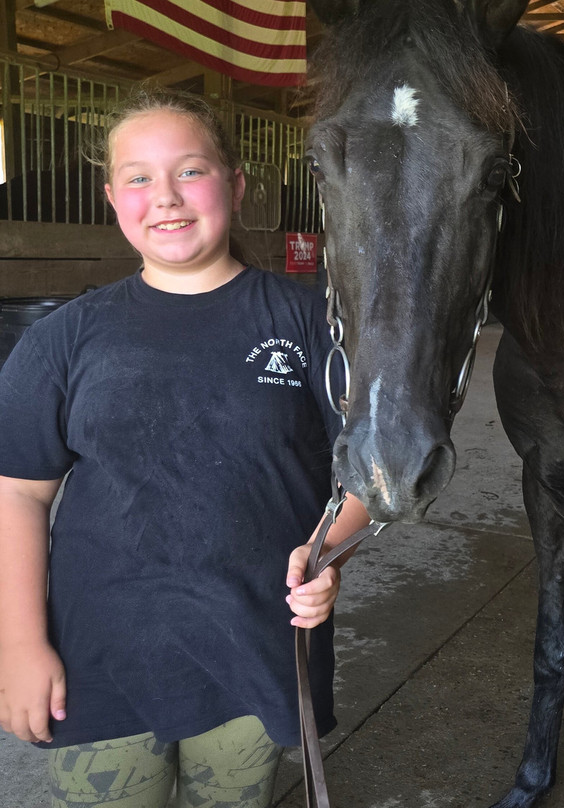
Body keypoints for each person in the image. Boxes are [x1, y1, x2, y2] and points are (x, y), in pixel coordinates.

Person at [0, 88, 369, 808]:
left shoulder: (309, 323)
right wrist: (19, 643)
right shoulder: (65, 339)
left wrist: (331, 552)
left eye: (189, 171)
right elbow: (18, 491)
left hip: (254, 650)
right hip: (98, 660)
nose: (164, 197)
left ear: (234, 184)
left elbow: (363, 472)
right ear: (113, 198)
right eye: (138, 177)